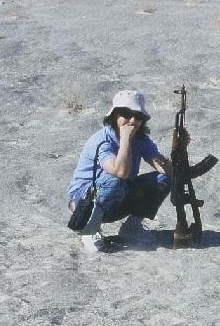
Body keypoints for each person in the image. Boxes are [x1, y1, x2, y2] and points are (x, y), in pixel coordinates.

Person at [67, 89, 180, 252]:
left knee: (164, 179)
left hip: (119, 196)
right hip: (84, 202)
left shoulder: (141, 140)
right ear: (114, 116)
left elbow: (166, 170)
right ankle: (90, 230)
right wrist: (125, 138)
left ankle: (132, 227)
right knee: (114, 180)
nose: (132, 121)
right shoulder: (102, 141)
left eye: (138, 116)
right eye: (126, 114)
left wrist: (178, 149)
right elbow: (120, 172)